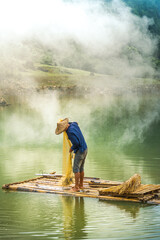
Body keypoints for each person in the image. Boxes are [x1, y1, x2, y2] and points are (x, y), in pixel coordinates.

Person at [55, 118, 88, 192]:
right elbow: (76, 122)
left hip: (80, 151)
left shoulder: (69, 133)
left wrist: (71, 148)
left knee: (76, 169)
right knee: (81, 168)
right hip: (85, 149)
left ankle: (76, 187)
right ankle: (81, 185)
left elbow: (76, 143)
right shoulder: (73, 124)